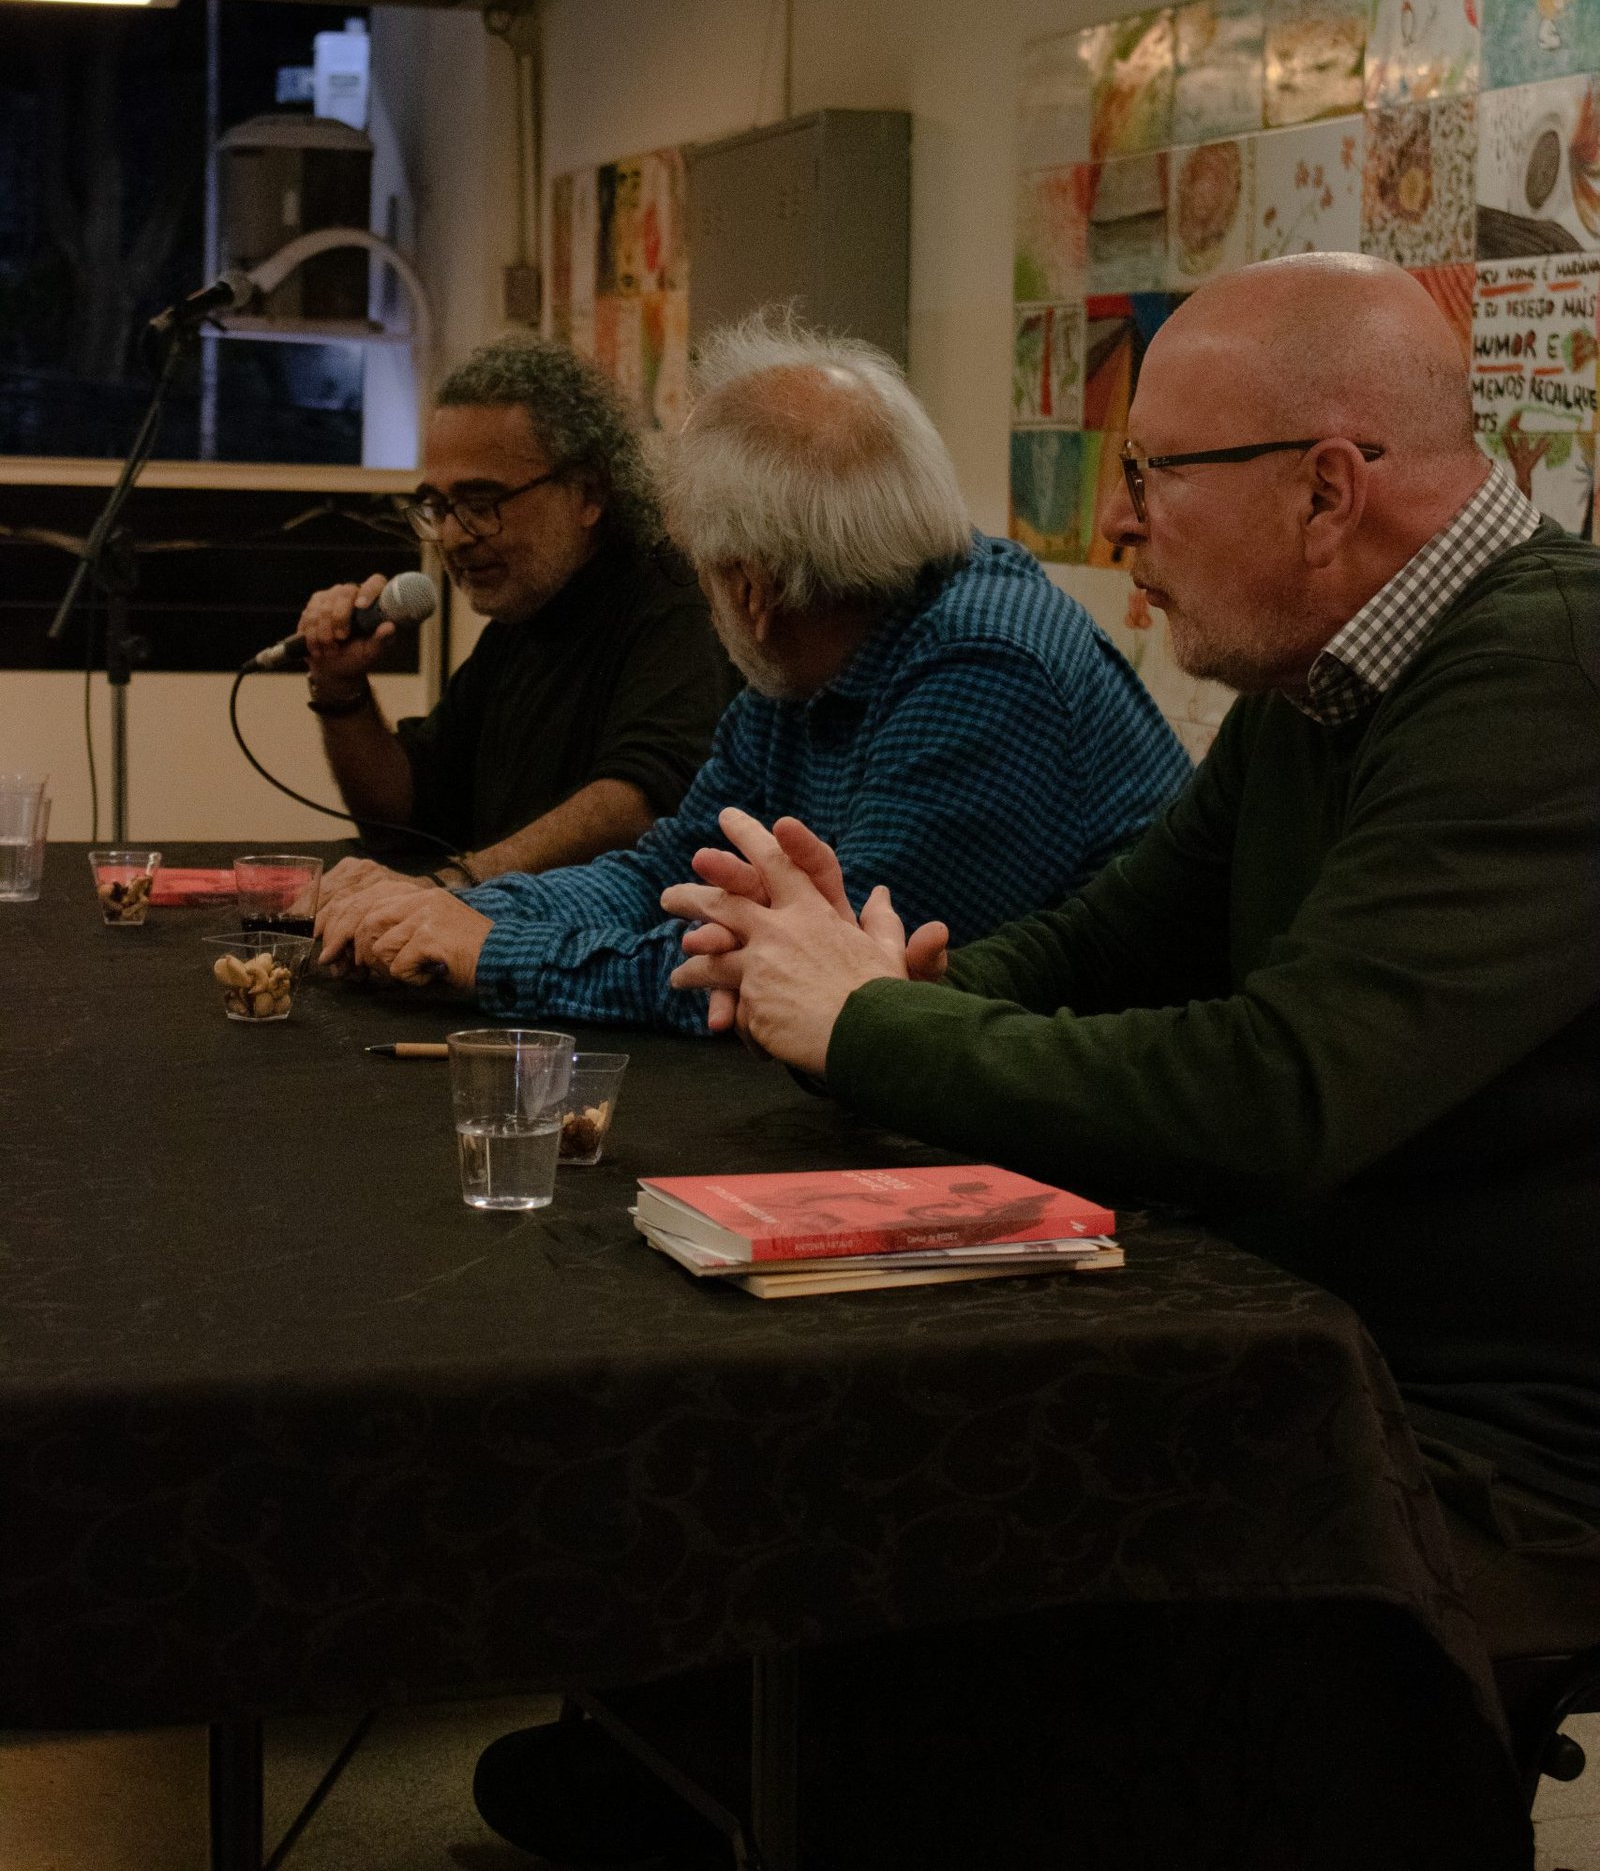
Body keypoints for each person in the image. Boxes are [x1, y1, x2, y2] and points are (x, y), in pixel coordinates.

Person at [665, 256, 1600, 1643]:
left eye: (1152, 474)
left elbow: (1282, 1091)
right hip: (1308, 1341)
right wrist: (882, 982)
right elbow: (1109, 944)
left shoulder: (1545, 679)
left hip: (1505, 1444)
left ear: (1327, 490)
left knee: (950, 1544)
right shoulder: (1328, 668)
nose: (1114, 525)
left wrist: (868, 1026)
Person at [315, 315, 1192, 1026]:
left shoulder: (986, 675)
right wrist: (459, 913)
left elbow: (812, 986)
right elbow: (667, 869)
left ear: (755, 587)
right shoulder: (813, 655)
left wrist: (488, 950)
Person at [297, 337, 733, 886]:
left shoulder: (675, 602)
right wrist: (341, 689)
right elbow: (402, 811)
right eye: (437, 506)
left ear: (587, 495)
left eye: (482, 505)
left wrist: (455, 883)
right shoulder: (523, 620)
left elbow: (640, 803)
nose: (453, 536)